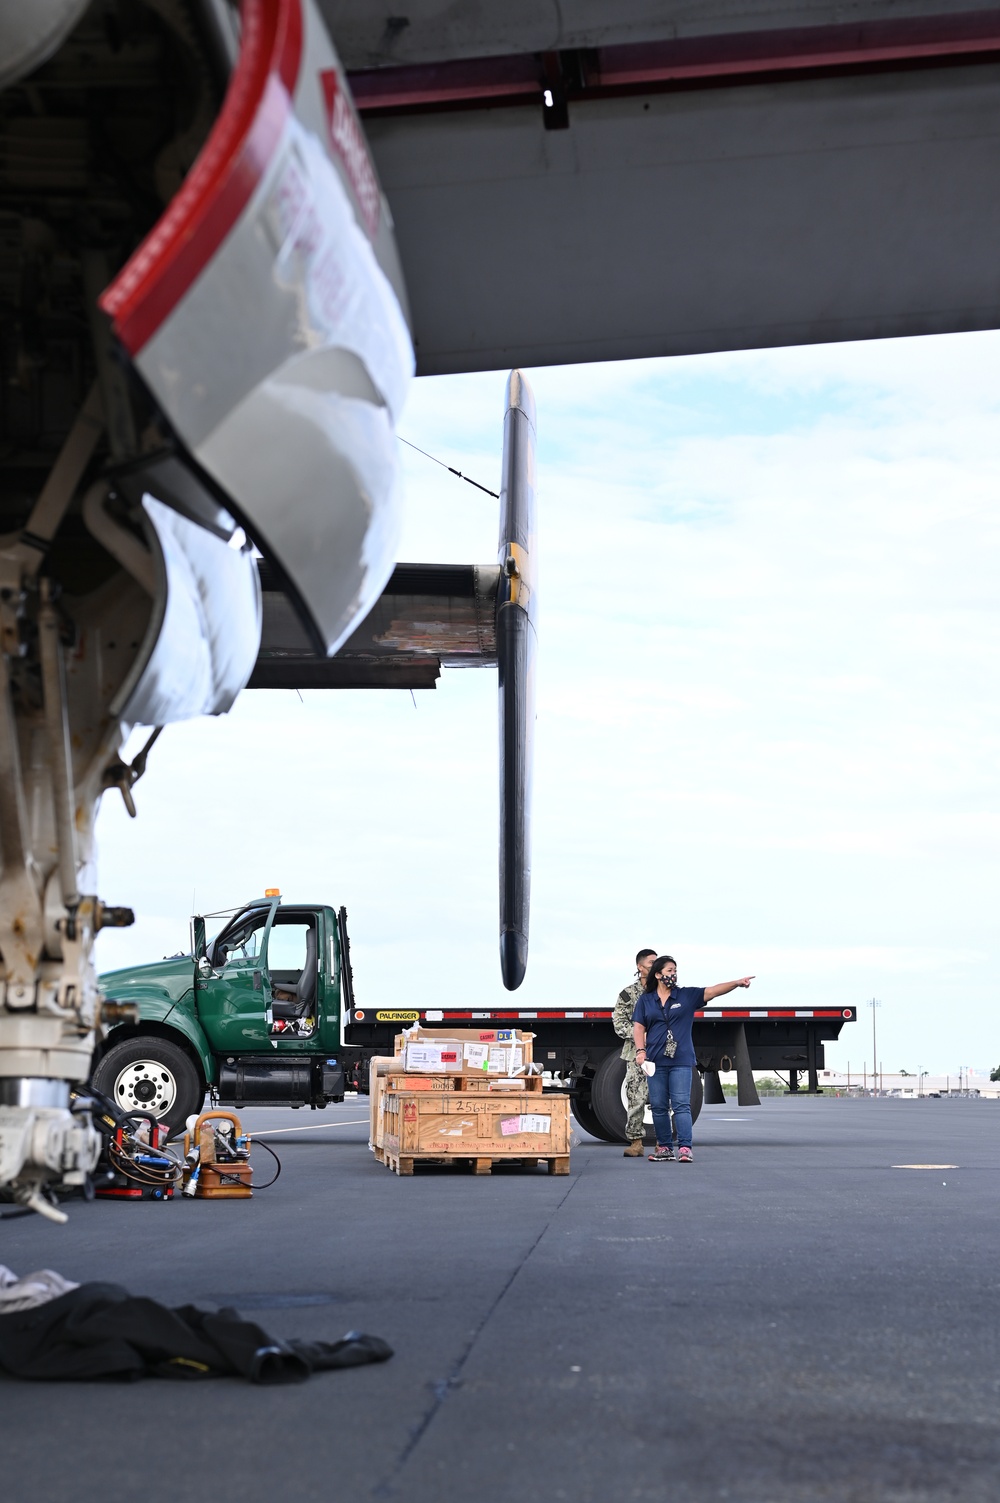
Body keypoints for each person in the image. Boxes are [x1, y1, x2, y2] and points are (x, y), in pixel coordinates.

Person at [633, 956, 754, 1164]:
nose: (673, 975)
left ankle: (685, 1148)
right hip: (655, 1061)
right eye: (669, 971)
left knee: (681, 1104)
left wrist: (736, 983)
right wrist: (640, 1051)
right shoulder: (646, 1000)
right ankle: (664, 1148)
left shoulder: (686, 996)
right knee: (659, 1106)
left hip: (681, 1060)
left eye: (675, 971)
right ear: (658, 974)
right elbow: (638, 1027)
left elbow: (713, 991)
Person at [613, 949, 657, 1157]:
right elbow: (619, 1023)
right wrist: (640, 1034)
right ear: (640, 967)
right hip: (635, 1053)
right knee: (636, 1096)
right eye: (651, 963)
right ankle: (636, 1142)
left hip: (662, 1051)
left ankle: (663, 1142)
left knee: (663, 1096)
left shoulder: (664, 991)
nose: (655, 966)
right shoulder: (628, 994)